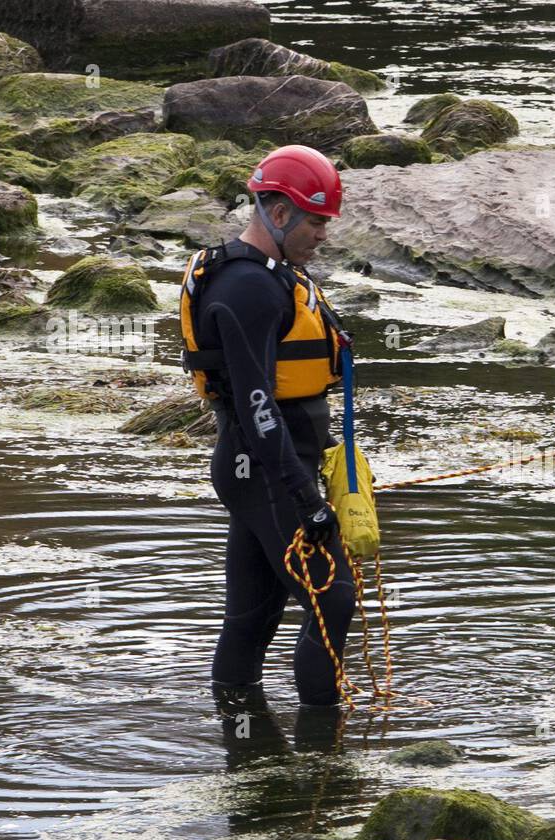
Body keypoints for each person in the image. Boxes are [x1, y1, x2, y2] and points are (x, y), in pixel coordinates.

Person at [179, 144, 356, 707]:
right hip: (265, 469)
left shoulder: (272, 274)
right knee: (331, 598)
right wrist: (306, 497)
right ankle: (325, 745)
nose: (323, 235)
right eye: (316, 221)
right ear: (278, 213)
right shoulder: (247, 288)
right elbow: (258, 405)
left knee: (254, 613)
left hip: (271, 466)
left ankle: (243, 747)